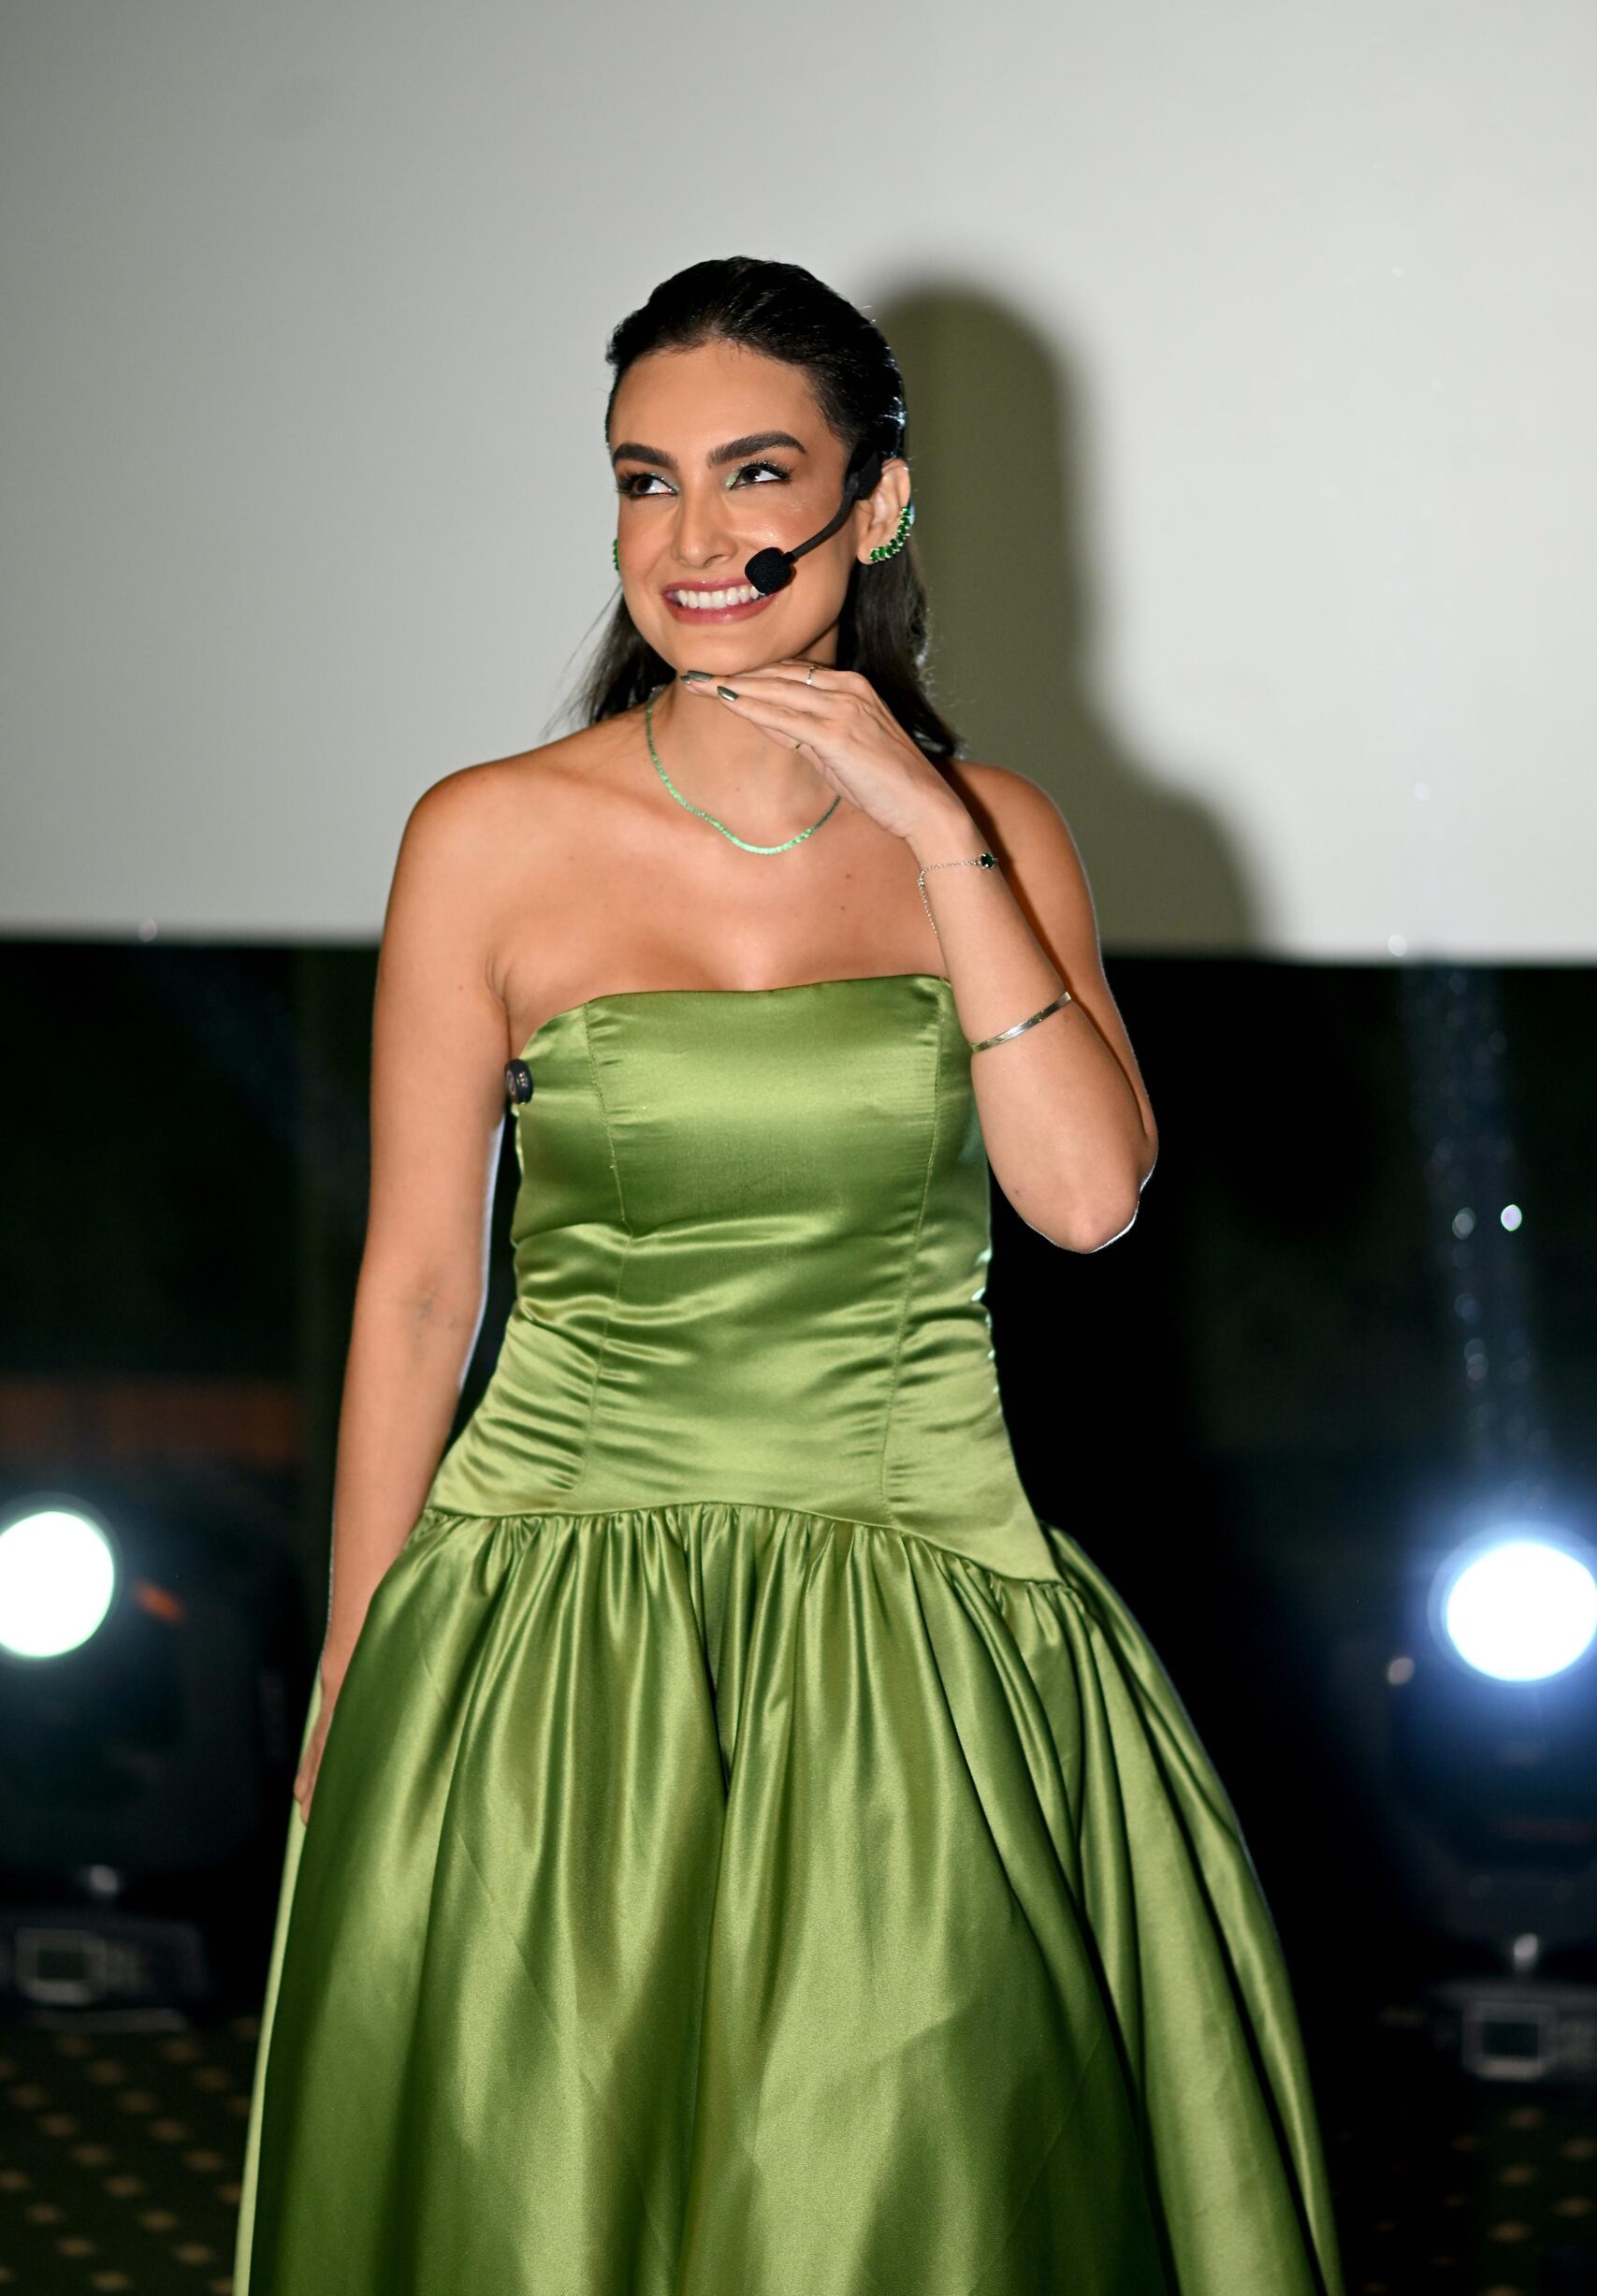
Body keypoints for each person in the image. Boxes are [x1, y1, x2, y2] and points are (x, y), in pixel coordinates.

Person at [233, 254, 1345, 2295]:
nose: (692, 536)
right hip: (551, 1621)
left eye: (753, 473)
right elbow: (416, 1290)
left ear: (873, 502)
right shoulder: (486, 837)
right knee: (541, 2201)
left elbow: (1085, 1201)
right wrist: (353, 1658)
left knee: (897, 2204)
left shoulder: (994, 830)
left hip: (912, 1616)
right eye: (642, 481)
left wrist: (932, 827)